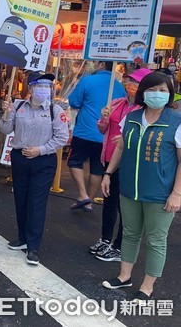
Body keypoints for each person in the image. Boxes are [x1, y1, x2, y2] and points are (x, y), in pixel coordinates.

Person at [101, 71, 181, 301]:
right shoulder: (133, 117)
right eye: (152, 90)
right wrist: (108, 173)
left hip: (160, 193)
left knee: (156, 239)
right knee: (130, 234)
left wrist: (177, 193)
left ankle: (147, 286)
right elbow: (120, 148)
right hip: (130, 188)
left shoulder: (176, 122)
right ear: (143, 93)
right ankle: (124, 275)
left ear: (170, 94)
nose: (157, 94)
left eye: (163, 91)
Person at [0, 71, 69, 265]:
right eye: (39, 85)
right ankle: (22, 237)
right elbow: (6, 130)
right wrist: (6, 114)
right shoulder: (18, 106)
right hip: (20, 158)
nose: (43, 89)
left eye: (47, 86)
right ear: (30, 88)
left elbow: (62, 137)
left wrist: (40, 150)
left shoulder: (56, 111)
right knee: (20, 199)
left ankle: (33, 246)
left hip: (43, 162)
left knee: (36, 203)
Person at [91, 68, 151, 262]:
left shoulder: (146, 111)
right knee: (109, 201)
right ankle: (105, 239)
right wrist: (103, 118)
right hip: (109, 158)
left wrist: (126, 139)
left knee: (125, 206)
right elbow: (102, 128)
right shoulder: (117, 103)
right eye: (129, 81)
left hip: (129, 162)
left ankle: (119, 245)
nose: (130, 86)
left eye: (135, 83)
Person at [67, 61, 126, 212]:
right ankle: (88, 200)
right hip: (106, 136)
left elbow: (74, 102)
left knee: (74, 161)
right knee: (97, 169)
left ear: (101, 64)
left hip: (84, 131)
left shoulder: (87, 80)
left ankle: (83, 194)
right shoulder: (119, 87)